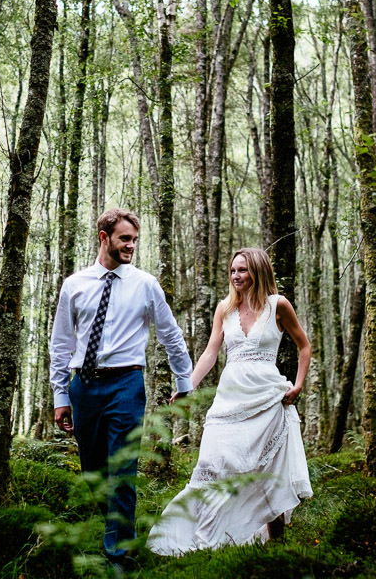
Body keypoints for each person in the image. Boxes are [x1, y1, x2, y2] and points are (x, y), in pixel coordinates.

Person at [49, 208, 194, 570]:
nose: (130, 246)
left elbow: (170, 334)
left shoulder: (145, 284)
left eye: (133, 240)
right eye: (124, 239)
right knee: (93, 471)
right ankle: (116, 527)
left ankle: (119, 554)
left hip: (127, 385)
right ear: (104, 237)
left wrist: (184, 381)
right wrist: (60, 395)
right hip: (83, 386)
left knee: (122, 469)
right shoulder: (75, 285)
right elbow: (61, 344)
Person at [147, 247, 313, 555]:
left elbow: (304, 346)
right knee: (213, 464)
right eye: (233, 271)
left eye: (243, 270)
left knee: (269, 468)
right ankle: (203, 539)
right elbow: (211, 352)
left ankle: (276, 545)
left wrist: (299, 385)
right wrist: (187, 384)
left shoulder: (279, 305)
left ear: (258, 272)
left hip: (268, 398)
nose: (236, 276)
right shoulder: (225, 309)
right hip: (230, 398)